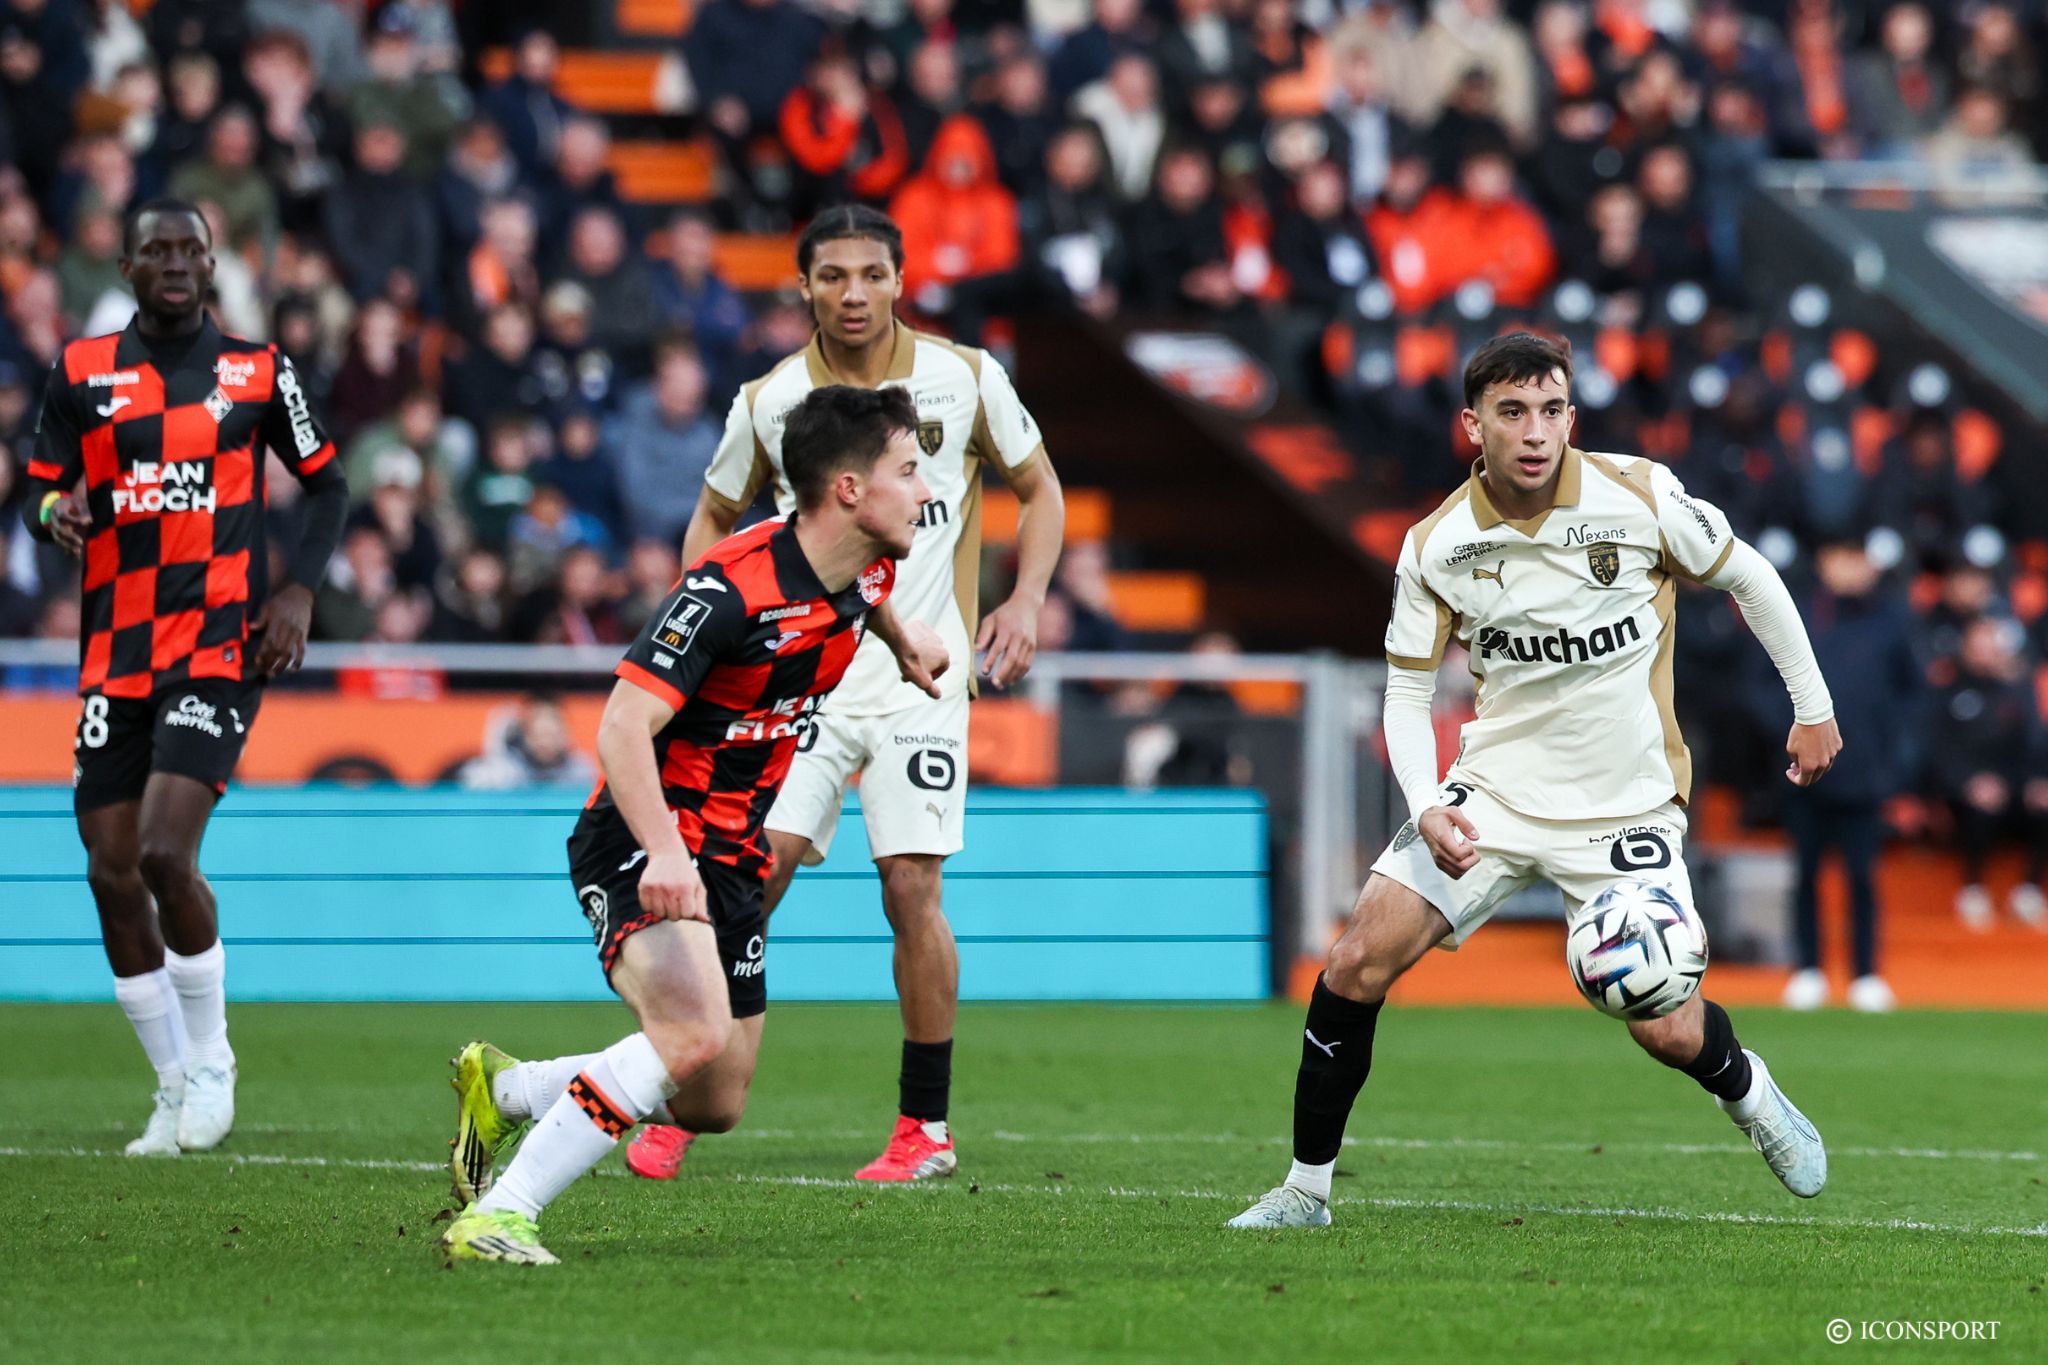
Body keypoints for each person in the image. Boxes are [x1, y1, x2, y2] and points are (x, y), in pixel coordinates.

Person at [1228, 333, 1842, 1229]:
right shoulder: (1438, 544)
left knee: (1666, 1026)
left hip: (1627, 802)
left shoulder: (1639, 496)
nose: (1535, 430)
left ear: (1571, 417)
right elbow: (1405, 690)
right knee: (1356, 958)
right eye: (1512, 412)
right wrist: (1425, 804)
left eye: (1552, 409)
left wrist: (1813, 707)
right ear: (1472, 424)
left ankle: (1748, 1091)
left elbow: (1749, 575)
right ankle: (1304, 1190)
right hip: (1497, 795)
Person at [437, 384, 948, 1265]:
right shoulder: (725, 591)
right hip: (645, 837)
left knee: (714, 1101)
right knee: (691, 1034)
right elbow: (620, 727)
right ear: (849, 490)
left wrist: (906, 646)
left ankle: (508, 1090)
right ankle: (501, 1213)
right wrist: (665, 853)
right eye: (908, 470)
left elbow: (866, 599)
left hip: (735, 852)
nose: (926, 489)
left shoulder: (871, 565)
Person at [630, 206, 1065, 1184]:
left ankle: (924, 1129)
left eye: (872, 273)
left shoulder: (965, 377)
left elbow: (1041, 487)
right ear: (804, 288)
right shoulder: (771, 399)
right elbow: (712, 513)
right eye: (832, 276)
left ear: (901, 280)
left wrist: (1027, 598)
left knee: (911, 885)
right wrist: (711, 642)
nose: (853, 293)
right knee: (749, 881)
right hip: (801, 683)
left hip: (923, 680)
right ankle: (685, 1089)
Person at [22, 197, 349, 1157]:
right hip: (114, 651)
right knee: (110, 870)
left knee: (166, 853)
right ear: (125, 267)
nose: (174, 262)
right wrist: (51, 515)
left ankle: (212, 1060)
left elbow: (328, 483)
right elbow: (39, 484)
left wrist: (297, 592)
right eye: (155, 249)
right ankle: (169, 1084)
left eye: (189, 249)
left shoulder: (260, 370)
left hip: (217, 645)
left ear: (212, 264)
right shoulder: (81, 372)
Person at [1762, 537, 1924, 1012]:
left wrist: (1890, 755)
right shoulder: (1798, 614)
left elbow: (1914, 695)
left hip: (1865, 772)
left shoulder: (1891, 619)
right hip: (1802, 771)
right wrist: (1792, 733)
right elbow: (1761, 681)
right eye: (1841, 557)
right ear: (1823, 561)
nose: (1851, 568)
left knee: (1862, 876)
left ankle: (1866, 974)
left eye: (1858, 558)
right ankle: (1807, 969)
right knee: (1805, 873)